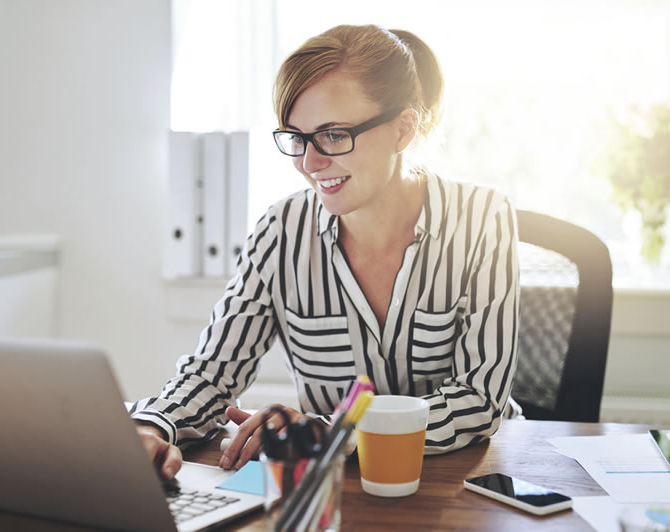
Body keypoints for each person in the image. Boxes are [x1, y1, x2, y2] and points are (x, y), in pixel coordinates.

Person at [132, 24, 519, 480]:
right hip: (333, 493)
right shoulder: (281, 230)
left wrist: (334, 432)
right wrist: (148, 426)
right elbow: (212, 374)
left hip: (463, 484)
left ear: (403, 128)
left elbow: (478, 399)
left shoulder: (482, 217)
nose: (310, 164)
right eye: (297, 138)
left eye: (334, 135)